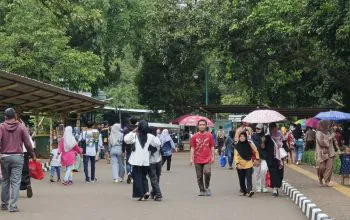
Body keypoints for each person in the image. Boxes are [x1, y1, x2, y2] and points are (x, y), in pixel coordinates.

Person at [0, 108, 36, 212]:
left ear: (5, 117)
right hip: (18, 157)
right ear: (15, 116)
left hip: (4, 157)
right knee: (16, 181)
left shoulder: (1, 127)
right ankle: (13, 206)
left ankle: (4, 204)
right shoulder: (21, 127)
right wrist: (32, 154)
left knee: (5, 181)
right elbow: (27, 142)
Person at [124, 120, 161, 201]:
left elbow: (126, 139)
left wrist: (133, 130)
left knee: (137, 177)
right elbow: (158, 143)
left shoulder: (135, 135)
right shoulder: (150, 136)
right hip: (145, 161)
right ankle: (147, 191)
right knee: (143, 177)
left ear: (139, 127)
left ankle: (141, 194)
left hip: (136, 161)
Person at [190, 119, 215, 196]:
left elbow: (212, 146)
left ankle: (207, 187)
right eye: (200, 125)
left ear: (206, 126)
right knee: (199, 176)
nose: (202, 126)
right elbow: (192, 148)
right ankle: (202, 190)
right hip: (197, 159)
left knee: (207, 172)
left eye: (203, 125)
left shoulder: (209, 135)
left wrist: (213, 156)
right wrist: (191, 158)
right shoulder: (194, 136)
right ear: (198, 126)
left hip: (207, 158)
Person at [235, 132, 260, 197]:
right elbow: (235, 155)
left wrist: (257, 159)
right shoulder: (237, 145)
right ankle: (244, 191)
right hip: (240, 164)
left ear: (246, 137)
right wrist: (237, 164)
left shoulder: (250, 144)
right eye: (240, 136)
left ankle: (249, 190)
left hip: (248, 162)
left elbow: (256, 151)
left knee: (249, 177)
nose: (242, 137)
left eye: (243, 136)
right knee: (241, 179)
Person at [265, 123, 284, 197]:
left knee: (279, 173)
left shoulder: (281, 135)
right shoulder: (267, 137)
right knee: (273, 173)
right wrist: (263, 141)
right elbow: (263, 148)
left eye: (275, 128)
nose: (274, 129)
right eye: (271, 128)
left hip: (280, 158)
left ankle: (276, 188)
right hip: (271, 158)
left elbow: (285, 145)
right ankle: (274, 190)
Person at [316, 120, 336, 187]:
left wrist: (333, 136)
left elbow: (332, 142)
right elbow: (322, 143)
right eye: (327, 124)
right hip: (321, 154)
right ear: (323, 125)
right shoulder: (318, 133)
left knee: (329, 167)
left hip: (330, 152)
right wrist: (330, 137)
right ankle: (320, 179)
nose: (328, 125)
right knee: (321, 167)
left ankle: (327, 181)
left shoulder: (328, 132)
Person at [20, 123, 35, 198]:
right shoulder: (26, 135)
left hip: (16, 153)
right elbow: (31, 146)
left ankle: (16, 188)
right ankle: (28, 184)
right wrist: (33, 155)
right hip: (25, 154)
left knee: (16, 172)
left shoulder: (15, 132)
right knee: (25, 171)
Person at [251, 124, 268, 193]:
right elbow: (253, 147)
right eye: (256, 128)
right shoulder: (253, 136)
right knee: (257, 172)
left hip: (264, 157)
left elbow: (264, 147)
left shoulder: (265, 137)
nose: (257, 129)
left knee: (263, 171)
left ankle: (263, 186)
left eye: (259, 128)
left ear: (262, 129)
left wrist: (263, 141)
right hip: (256, 157)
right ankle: (258, 186)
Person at [148, 127, 163, 201]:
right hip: (158, 161)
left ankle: (158, 194)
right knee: (157, 178)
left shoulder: (148, 139)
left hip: (151, 162)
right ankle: (153, 192)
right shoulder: (157, 138)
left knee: (153, 179)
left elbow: (148, 152)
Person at [122, 118, 138, 184]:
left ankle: (129, 173)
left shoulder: (126, 129)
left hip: (128, 147)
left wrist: (123, 150)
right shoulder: (138, 129)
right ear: (136, 122)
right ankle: (133, 175)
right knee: (134, 163)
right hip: (136, 147)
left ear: (130, 122)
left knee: (128, 162)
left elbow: (124, 140)